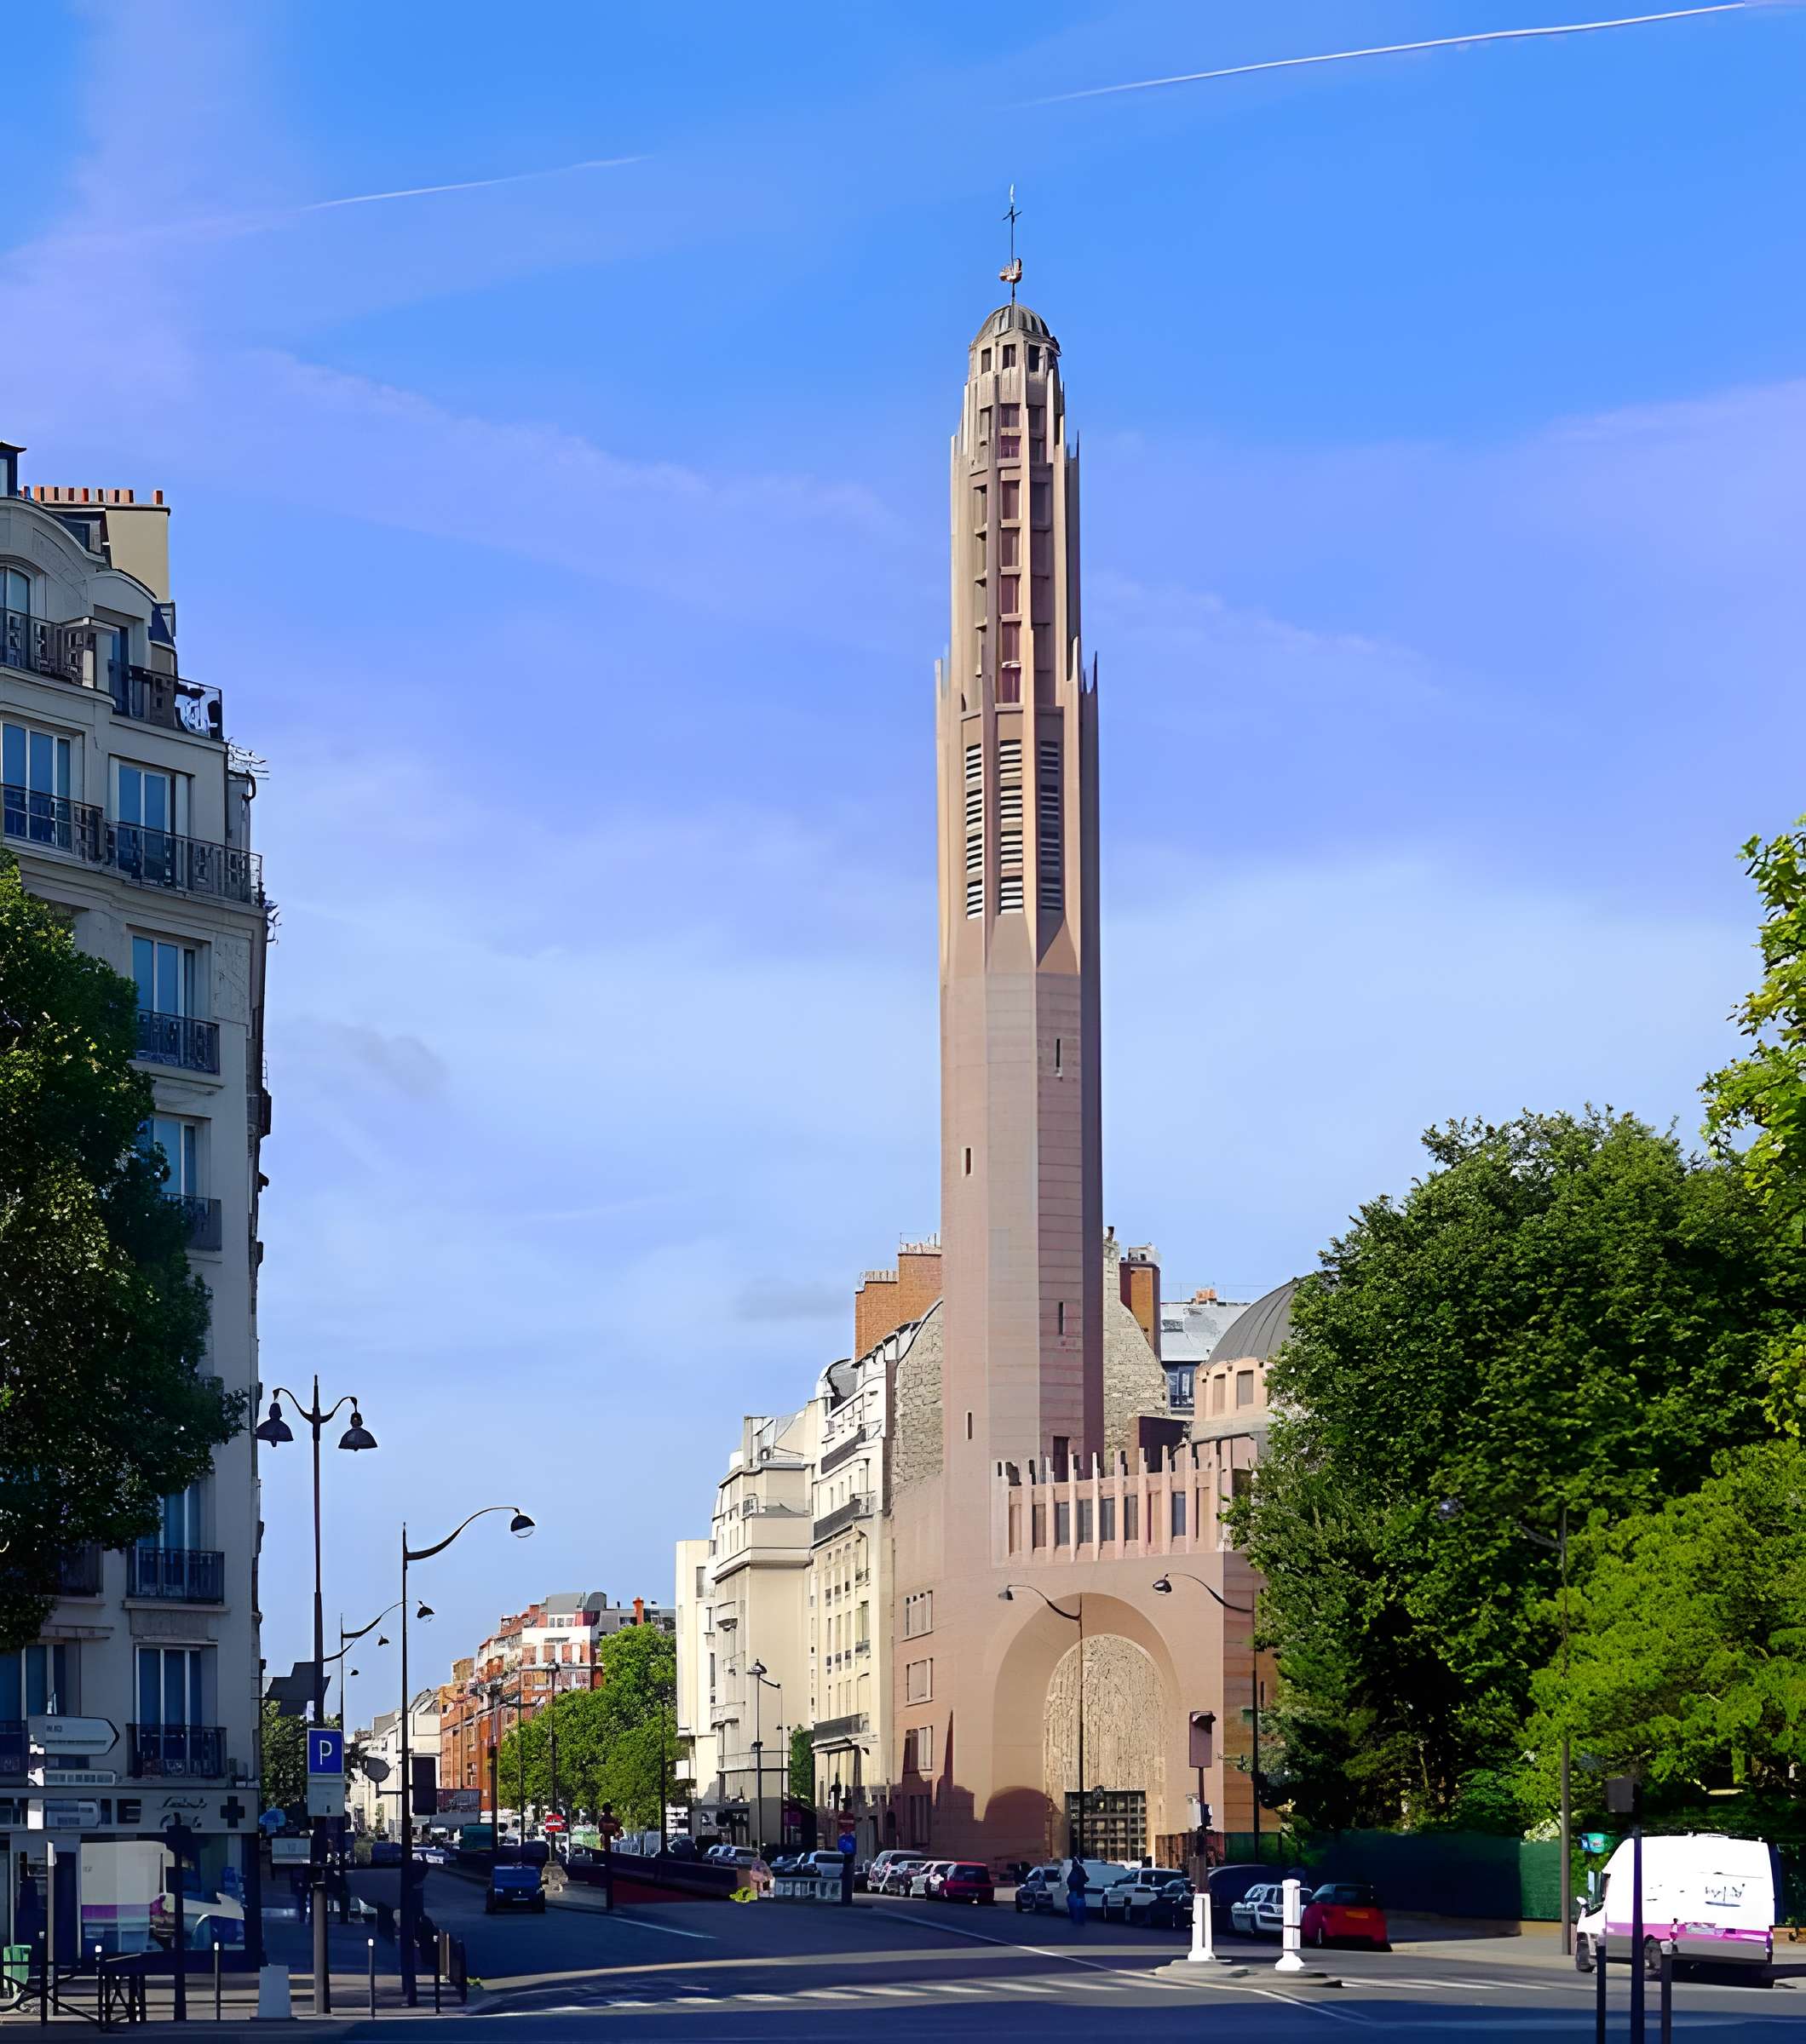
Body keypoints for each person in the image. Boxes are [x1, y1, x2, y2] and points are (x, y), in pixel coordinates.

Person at [1066, 1859, 1090, 1928]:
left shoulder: (1073, 1871)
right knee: (1081, 1906)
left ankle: (1075, 1920)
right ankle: (1081, 1921)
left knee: (1073, 1906)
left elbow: (1069, 1881)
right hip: (1081, 1891)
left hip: (1074, 1891)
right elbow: (1086, 1878)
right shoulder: (1081, 1869)